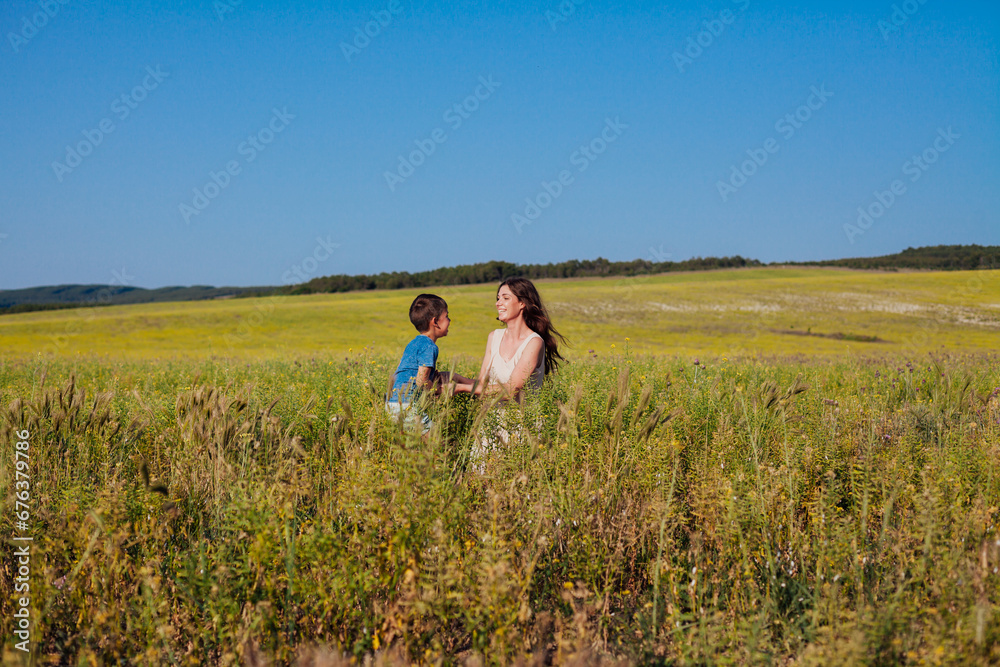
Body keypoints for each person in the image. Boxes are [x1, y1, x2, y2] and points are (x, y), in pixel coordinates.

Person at [461, 278, 565, 467]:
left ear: (522, 303)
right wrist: (454, 379)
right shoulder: (494, 337)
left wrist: (459, 388)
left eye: (505, 298)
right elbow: (482, 385)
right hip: (491, 426)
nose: (498, 303)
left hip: (523, 427)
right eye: (498, 298)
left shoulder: (534, 342)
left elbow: (511, 390)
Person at [386, 293, 472, 431]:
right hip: (408, 406)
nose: (450, 320)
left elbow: (398, 374)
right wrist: (436, 389)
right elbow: (421, 381)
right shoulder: (429, 346)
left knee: (411, 443)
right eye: (447, 316)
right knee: (434, 441)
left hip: (392, 403)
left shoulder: (413, 343)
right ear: (435, 322)